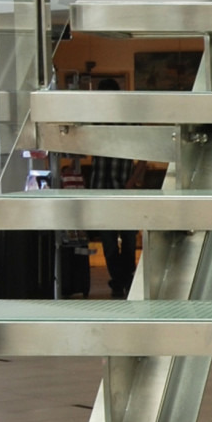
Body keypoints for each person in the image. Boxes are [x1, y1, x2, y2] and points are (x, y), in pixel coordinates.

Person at [84, 78, 139, 298]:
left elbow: (145, 152)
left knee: (128, 238)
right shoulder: (96, 121)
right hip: (101, 186)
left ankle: (124, 278)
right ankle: (120, 279)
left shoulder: (128, 120)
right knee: (108, 240)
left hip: (122, 185)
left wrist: (133, 180)